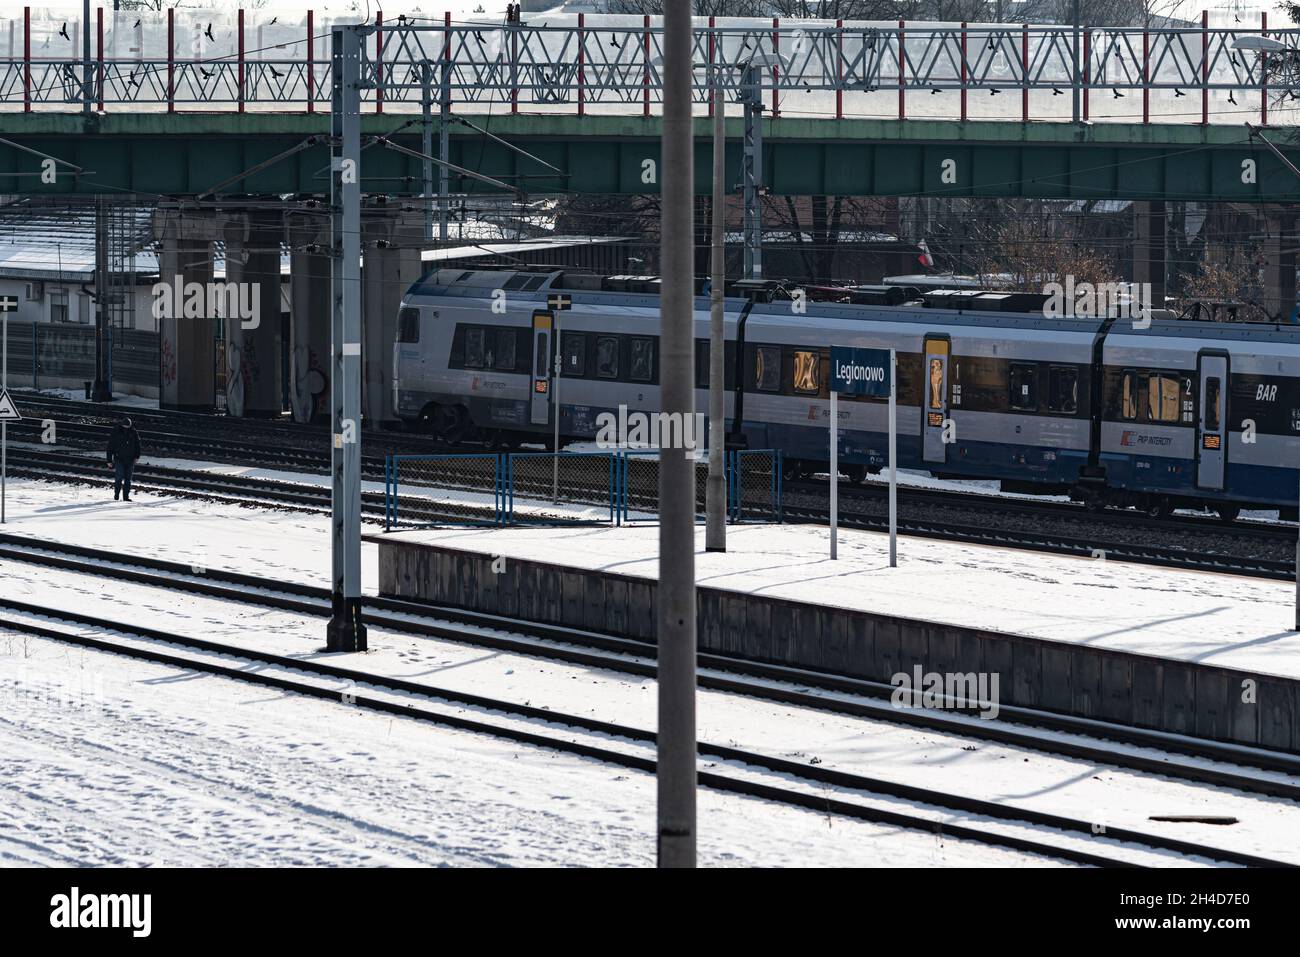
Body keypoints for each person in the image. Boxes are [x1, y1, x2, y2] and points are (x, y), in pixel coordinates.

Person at [106, 415, 142, 502]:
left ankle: (126, 497)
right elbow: (110, 446)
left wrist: (137, 456)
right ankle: (116, 495)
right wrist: (109, 460)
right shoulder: (116, 432)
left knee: (128, 479)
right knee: (119, 477)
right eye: (125, 426)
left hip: (130, 459)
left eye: (128, 427)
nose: (126, 428)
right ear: (122, 425)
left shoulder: (133, 432)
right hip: (119, 458)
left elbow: (138, 445)